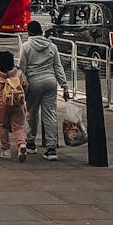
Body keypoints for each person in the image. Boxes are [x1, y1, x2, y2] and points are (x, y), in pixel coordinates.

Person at [18, 20, 70, 161]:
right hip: (50, 82)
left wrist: (21, 87)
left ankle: (30, 142)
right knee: (50, 114)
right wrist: (65, 87)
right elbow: (58, 67)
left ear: (29, 32)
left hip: (34, 82)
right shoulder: (52, 46)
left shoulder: (26, 46)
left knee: (32, 113)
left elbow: (22, 68)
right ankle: (51, 148)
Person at [0, 49, 29, 161]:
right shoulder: (19, 74)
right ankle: (21, 144)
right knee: (18, 126)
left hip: (3, 105)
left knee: (3, 126)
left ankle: (5, 150)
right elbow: (25, 85)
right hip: (18, 104)